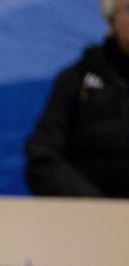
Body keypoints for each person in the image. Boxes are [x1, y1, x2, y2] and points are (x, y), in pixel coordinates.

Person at [25, 0, 129, 199]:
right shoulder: (76, 79)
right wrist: (96, 208)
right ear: (111, 18)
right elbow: (42, 158)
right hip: (86, 218)